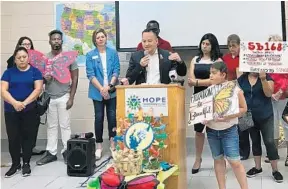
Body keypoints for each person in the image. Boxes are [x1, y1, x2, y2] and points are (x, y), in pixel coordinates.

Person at [36, 30, 79, 165]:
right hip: (49, 97)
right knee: (51, 126)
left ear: (62, 41)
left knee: (65, 125)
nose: (56, 41)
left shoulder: (68, 57)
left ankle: (67, 151)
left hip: (63, 96)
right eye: (53, 39)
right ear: (50, 41)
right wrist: (44, 77)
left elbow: (75, 77)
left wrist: (71, 97)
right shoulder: (44, 58)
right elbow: (39, 79)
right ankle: (51, 152)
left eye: (58, 39)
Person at [204, 62, 248, 189]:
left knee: (234, 162)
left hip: (229, 130)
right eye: (210, 73)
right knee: (218, 160)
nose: (210, 75)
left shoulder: (235, 88)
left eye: (213, 73)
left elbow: (244, 108)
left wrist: (230, 115)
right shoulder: (207, 91)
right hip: (212, 131)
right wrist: (203, 117)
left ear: (223, 74)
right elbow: (204, 110)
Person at [1, 47, 43, 177]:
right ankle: (15, 164)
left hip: (29, 110)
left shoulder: (35, 72)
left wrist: (24, 103)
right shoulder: (8, 72)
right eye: (19, 58)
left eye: (24, 57)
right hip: (11, 110)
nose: (22, 59)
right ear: (15, 59)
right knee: (13, 137)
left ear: (28, 58)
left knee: (27, 137)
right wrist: (15, 103)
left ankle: (26, 163)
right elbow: (3, 90)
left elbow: (38, 89)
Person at [238, 71, 284, 183]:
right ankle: (257, 168)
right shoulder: (242, 78)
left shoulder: (267, 77)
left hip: (265, 115)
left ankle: (275, 170)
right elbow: (238, 95)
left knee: (269, 141)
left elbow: (269, 94)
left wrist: (263, 79)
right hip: (247, 115)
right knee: (254, 141)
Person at [187, 33, 222, 174]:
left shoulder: (217, 60)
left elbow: (215, 80)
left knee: (215, 130)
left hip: (213, 98)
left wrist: (197, 82)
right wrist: (199, 82)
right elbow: (190, 80)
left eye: (207, 44)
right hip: (198, 99)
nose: (205, 46)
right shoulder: (195, 59)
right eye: (203, 43)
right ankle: (198, 158)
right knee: (198, 131)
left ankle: (218, 159)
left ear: (212, 45)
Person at [6, 37, 45, 156]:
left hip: (33, 99)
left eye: (29, 44)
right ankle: (20, 152)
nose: (27, 46)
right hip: (15, 102)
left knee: (32, 126)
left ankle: (30, 148)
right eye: (24, 44)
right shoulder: (12, 61)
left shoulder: (37, 61)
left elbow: (40, 78)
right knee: (17, 129)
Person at [86, 28, 120, 160]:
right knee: (99, 118)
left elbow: (116, 70)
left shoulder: (112, 53)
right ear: (95, 40)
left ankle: (113, 145)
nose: (100, 39)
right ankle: (99, 147)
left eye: (102, 36)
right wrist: (101, 89)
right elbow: (90, 74)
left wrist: (109, 86)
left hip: (111, 91)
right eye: (98, 37)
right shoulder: (90, 55)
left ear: (106, 38)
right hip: (97, 92)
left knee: (112, 117)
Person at [121, 28, 186, 85]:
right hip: (142, 94)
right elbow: (129, 79)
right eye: (144, 41)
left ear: (156, 41)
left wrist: (180, 61)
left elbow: (182, 73)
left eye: (149, 41)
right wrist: (140, 66)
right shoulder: (136, 56)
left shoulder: (166, 55)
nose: (146, 44)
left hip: (162, 94)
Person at [268, 35, 288, 166]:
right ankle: (273, 154)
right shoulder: (266, 60)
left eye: (275, 44)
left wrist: (280, 91)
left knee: (286, 126)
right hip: (269, 97)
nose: (273, 46)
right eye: (270, 44)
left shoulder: (286, 58)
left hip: (284, 96)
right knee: (272, 125)